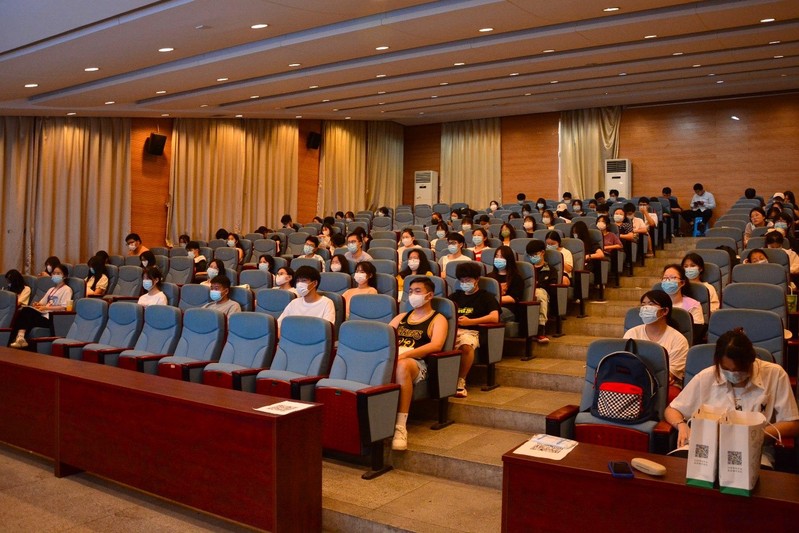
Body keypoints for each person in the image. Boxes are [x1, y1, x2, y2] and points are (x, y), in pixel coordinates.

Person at [664, 329, 799, 467]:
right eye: (726, 369)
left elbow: (793, 424)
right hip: (708, 446)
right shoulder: (706, 376)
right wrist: (681, 425)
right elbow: (672, 410)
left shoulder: (775, 375)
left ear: (751, 360)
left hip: (753, 450)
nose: (733, 373)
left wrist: (755, 434)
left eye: (739, 369)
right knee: (679, 468)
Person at [389, 277, 448, 451]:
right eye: (410, 291)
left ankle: (400, 426)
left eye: (417, 291)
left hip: (418, 363)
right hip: (395, 358)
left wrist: (405, 355)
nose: (412, 295)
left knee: (402, 367)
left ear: (429, 295)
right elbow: (384, 336)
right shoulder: (402, 317)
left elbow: (436, 345)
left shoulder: (438, 319)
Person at [624, 290, 689, 401]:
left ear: (665, 311)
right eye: (643, 305)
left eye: (651, 304)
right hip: (633, 380)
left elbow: (669, 376)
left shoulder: (678, 339)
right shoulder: (632, 333)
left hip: (663, 385)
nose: (645, 308)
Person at [448, 262, 500, 398]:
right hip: (453, 331)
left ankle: (460, 381)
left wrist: (470, 322)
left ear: (477, 279)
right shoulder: (454, 297)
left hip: (472, 331)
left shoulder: (486, 297)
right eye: (462, 281)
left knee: (466, 345)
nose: (465, 283)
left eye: (468, 280)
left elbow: (494, 317)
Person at [9, 264, 72, 349]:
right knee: (23, 312)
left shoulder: (67, 289)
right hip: (43, 314)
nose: (55, 275)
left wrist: (46, 308)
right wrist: (37, 304)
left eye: (58, 273)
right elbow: (42, 303)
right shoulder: (51, 289)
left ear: (65, 276)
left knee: (27, 312)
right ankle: (17, 339)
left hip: (52, 318)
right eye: (54, 273)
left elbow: (64, 307)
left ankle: (19, 337)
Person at [526, 241, 558, 343]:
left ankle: (541, 330)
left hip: (544, 296)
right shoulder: (527, 269)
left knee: (539, 293)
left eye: (535, 254)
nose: (532, 257)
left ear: (542, 252)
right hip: (528, 294)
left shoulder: (551, 270)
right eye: (530, 255)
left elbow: (552, 287)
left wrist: (538, 285)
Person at [487, 245, 525, 322]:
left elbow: (513, 298)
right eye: (496, 256)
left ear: (508, 259)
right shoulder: (489, 277)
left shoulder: (516, 278)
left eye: (501, 257)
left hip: (508, 309)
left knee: (493, 316)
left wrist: (492, 301)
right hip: (490, 307)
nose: (498, 259)